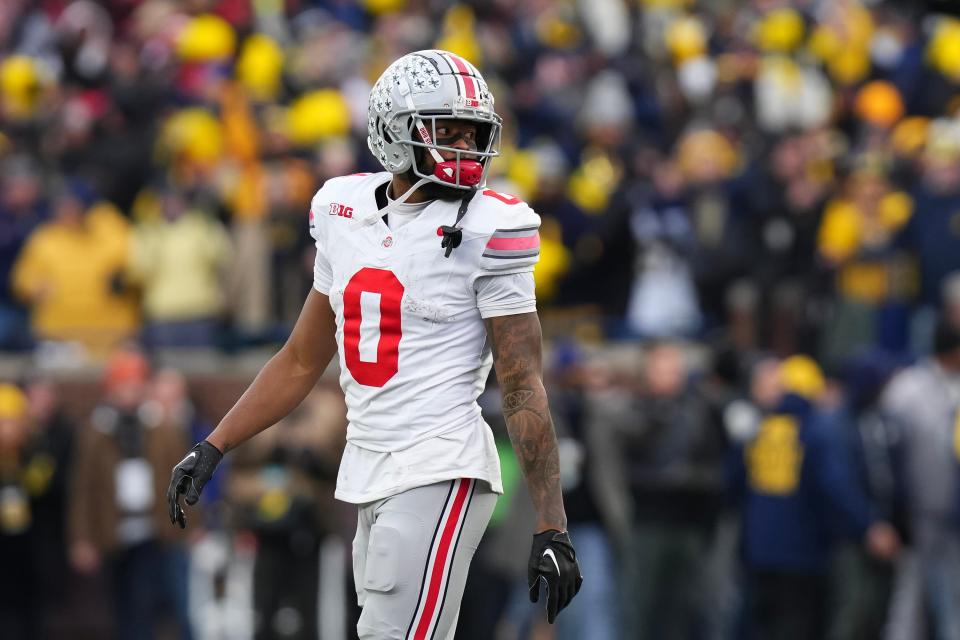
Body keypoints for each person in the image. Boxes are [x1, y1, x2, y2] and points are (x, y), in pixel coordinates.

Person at [167, 49, 582, 639]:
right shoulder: (344, 209)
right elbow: (302, 358)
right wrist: (214, 445)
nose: (467, 145)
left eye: (474, 131)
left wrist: (551, 523)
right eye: (448, 130)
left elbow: (521, 384)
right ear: (394, 132)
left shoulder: (491, 228)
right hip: (368, 467)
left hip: (441, 465)